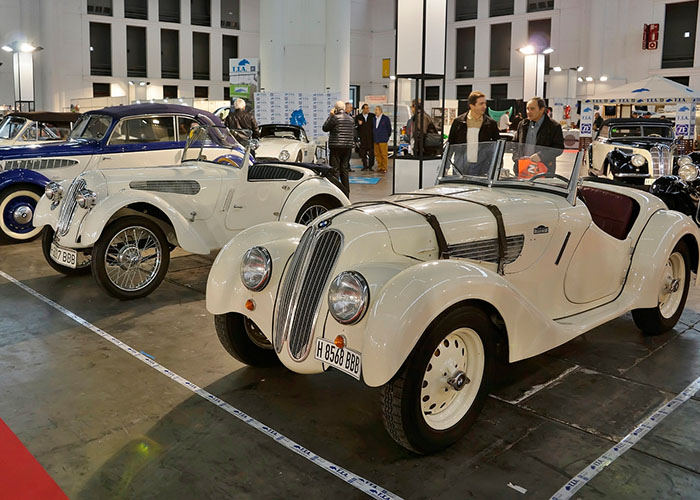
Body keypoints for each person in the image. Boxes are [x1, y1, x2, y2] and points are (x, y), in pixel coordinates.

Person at [446, 91, 500, 175]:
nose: (484, 106)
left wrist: (498, 167)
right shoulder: (459, 122)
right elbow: (450, 144)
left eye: (485, 103)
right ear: (471, 105)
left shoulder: (491, 124)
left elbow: (497, 147)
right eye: (481, 104)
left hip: (483, 168)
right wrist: (446, 166)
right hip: (460, 167)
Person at [513, 97, 565, 176]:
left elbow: (558, 148)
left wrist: (541, 156)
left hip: (543, 170)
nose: (528, 112)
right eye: (527, 109)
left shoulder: (553, 126)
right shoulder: (522, 124)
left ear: (542, 109)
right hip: (522, 169)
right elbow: (515, 143)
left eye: (532, 109)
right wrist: (516, 158)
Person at [322, 100, 355, 196]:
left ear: (335, 109)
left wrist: (331, 115)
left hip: (336, 146)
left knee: (335, 169)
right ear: (344, 108)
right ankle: (346, 193)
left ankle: (336, 193)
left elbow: (325, 128)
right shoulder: (351, 119)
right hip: (347, 147)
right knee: (344, 169)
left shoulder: (334, 118)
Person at [355, 103, 375, 171]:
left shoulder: (372, 116)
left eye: (368, 108)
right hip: (362, 137)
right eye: (366, 108)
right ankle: (364, 166)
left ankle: (370, 166)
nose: (367, 110)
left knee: (371, 153)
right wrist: (358, 124)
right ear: (363, 109)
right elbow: (356, 127)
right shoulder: (358, 117)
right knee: (363, 153)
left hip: (370, 137)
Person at [373, 105, 392, 173]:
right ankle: (380, 167)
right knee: (377, 154)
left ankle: (384, 168)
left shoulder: (385, 119)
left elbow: (389, 129)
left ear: (380, 111)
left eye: (377, 110)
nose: (375, 111)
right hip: (376, 139)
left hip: (383, 139)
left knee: (383, 154)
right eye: (375, 110)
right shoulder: (374, 119)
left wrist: (387, 136)